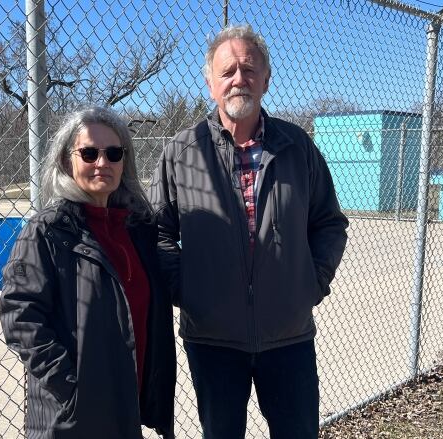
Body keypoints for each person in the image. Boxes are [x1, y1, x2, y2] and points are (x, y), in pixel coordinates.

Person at [149, 24, 348, 439]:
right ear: (210, 84)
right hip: (213, 340)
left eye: (249, 69)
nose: (239, 78)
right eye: (228, 72)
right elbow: (158, 232)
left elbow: (329, 222)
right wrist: (185, 289)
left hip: (288, 336)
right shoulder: (183, 153)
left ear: (266, 79)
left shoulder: (297, 147)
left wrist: (310, 284)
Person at [0, 106, 176, 439]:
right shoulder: (47, 231)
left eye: (113, 153)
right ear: (68, 161)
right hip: (74, 418)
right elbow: (20, 314)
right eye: (90, 153)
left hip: (127, 408)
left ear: (125, 162)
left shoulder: (138, 229)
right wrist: (71, 390)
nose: (102, 163)